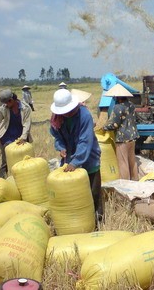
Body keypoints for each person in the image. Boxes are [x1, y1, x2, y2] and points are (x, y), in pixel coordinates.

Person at [49, 89, 103, 219]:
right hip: (69, 159)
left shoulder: (84, 116)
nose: (66, 113)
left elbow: (85, 140)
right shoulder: (57, 118)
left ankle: (98, 220)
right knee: (74, 194)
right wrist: (61, 147)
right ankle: (78, 220)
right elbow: (57, 136)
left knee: (93, 192)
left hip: (89, 158)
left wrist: (76, 161)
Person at [102, 84, 139, 180]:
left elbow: (114, 124)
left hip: (123, 138)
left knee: (123, 163)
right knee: (132, 161)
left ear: (117, 97)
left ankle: (125, 185)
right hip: (132, 136)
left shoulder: (118, 107)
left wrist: (103, 128)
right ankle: (135, 180)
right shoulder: (131, 105)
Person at [0, 89, 32, 178]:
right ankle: (1, 182)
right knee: (6, 162)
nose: (5, 105)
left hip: (20, 135)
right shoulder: (2, 107)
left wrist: (23, 137)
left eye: (6, 103)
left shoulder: (25, 108)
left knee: (24, 161)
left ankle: (23, 179)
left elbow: (27, 124)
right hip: (6, 136)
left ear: (11, 100)